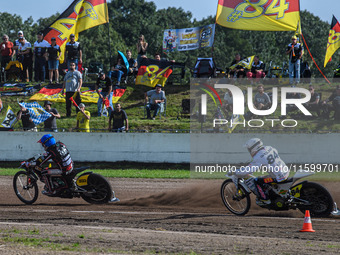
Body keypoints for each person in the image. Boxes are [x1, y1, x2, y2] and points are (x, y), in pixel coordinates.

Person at [229, 138, 289, 205]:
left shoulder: (258, 157)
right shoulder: (270, 148)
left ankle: (265, 200)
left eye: (249, 149)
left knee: (257, 180)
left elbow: (248, 170)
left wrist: (235, 172)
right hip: (285, 172)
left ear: (253, 148)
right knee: (264, 178)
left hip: (278, 177)